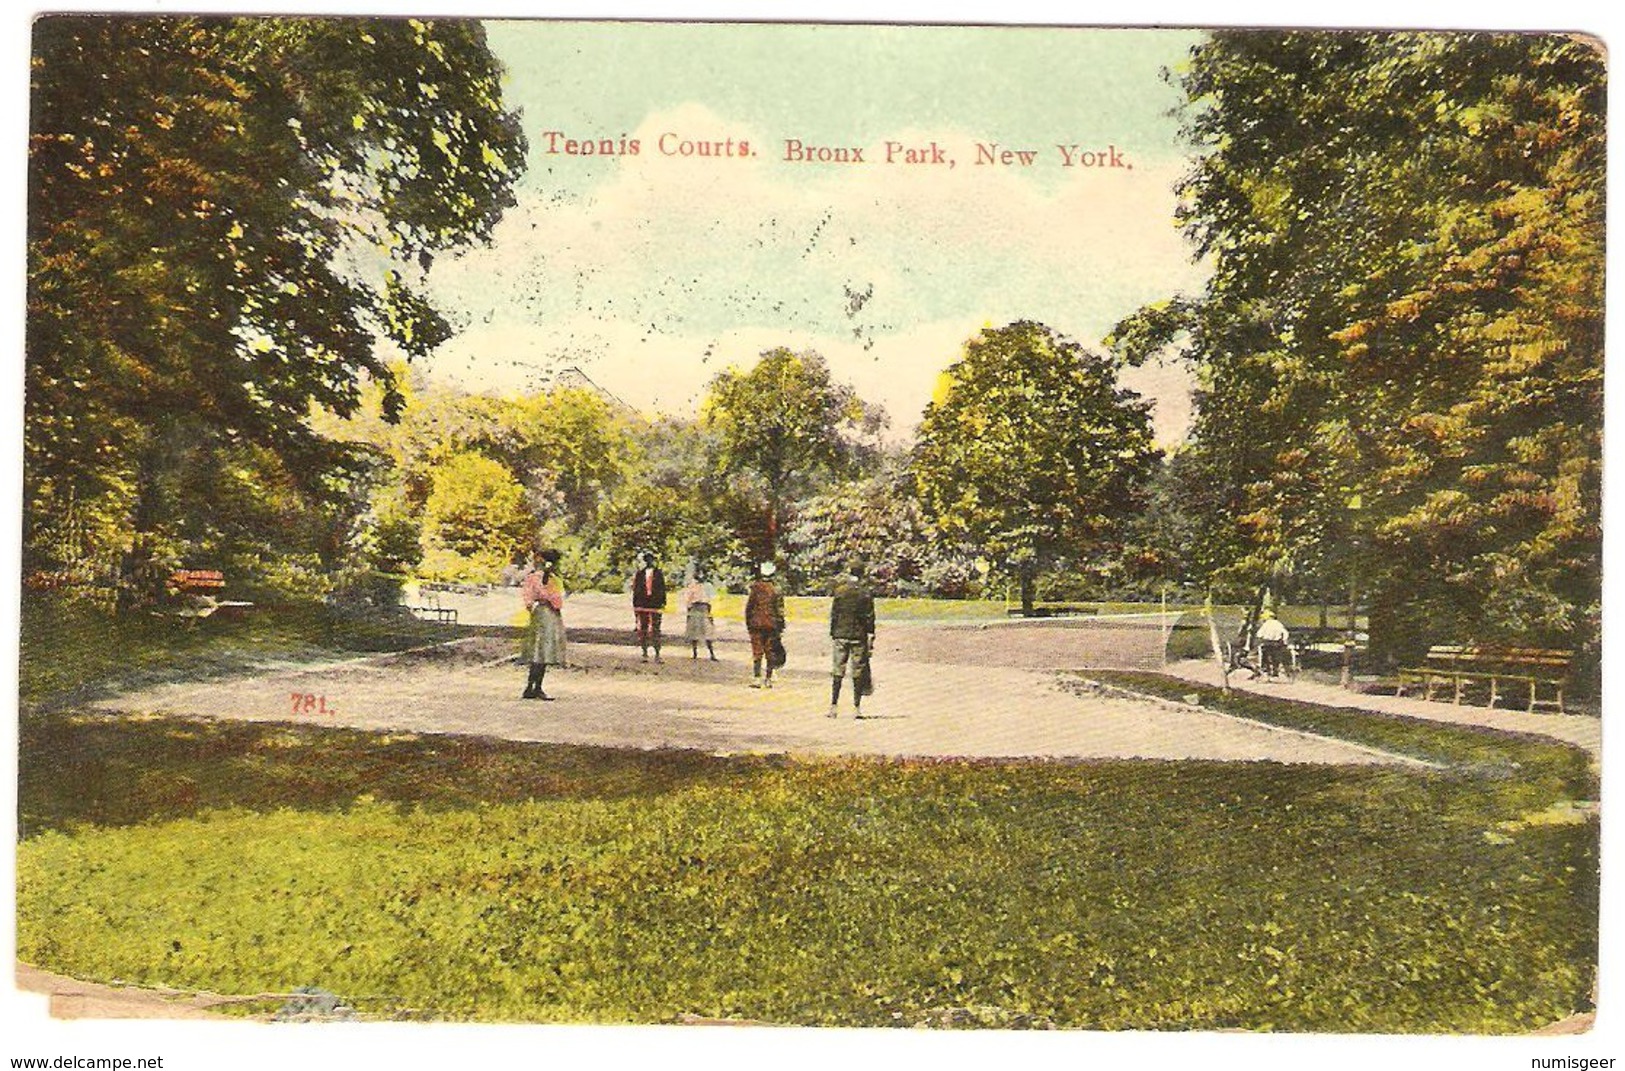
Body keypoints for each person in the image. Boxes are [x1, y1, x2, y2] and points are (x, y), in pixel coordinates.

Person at [828, 562, 876, 718]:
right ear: (862, 573)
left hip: (841, 634)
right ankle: (856, 707)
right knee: (857, 671)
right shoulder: (865, 593)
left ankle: (834, 706)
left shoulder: (840, 591)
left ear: (849, 572)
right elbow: (869, 617)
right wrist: (870, 634)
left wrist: (833, 632)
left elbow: (834, 614)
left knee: (838, 670)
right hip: (857, 635)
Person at [520, 549, 566, 700]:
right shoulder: (552, 580)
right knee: (544, 651)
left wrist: (532, 607)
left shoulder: (532, 578)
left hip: (539, 613)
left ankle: (530, 686)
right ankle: (537, 687)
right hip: (549, 614)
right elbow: (558, 602)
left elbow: (528, 599)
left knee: (537, 651)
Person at [744, 561, 785, 689]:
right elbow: (780, 610)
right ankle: (768, 678)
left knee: (757, 651)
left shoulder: (755, 588)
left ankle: (756, 678)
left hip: (756, 624)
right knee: (770, 651)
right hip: (771, 624)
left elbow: (749, 607)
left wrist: (749, 622)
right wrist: (781, 625)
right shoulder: (776, 590)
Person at [631, 551, 667, 663]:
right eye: (648, 560)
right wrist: (636, 606)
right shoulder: (640, 574)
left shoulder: (658, 574)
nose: (650, 562)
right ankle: (645, 653)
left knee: (656, 629)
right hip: (643, 604)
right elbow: (636, 590)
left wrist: (662, 603)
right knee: (643, 629)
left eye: (651, 559)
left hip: (655, 604)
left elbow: (662, 589)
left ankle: (657, 654)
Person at [680, 565, 719, 661]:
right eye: (699, 573)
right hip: (695, 608)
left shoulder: (708, 586)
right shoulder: (692, 585)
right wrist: (689, 611)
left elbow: (710, 600)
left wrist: (710, 612)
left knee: (708, 631)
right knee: (694, 631)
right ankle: (694, 652)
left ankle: (711, 653)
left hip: (704, 608)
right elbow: (688, 600)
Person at [1256, 609, 1291, 680]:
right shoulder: (1278, 624)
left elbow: (1259, 634)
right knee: (1276, 657)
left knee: (1265, 655)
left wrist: (1262, 637)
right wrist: (1285, 641)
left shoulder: (1265, 624)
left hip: (1267, 643)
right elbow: (1285, 633)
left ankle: (1265, 669)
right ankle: (1275, 671)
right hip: (1277, 643)